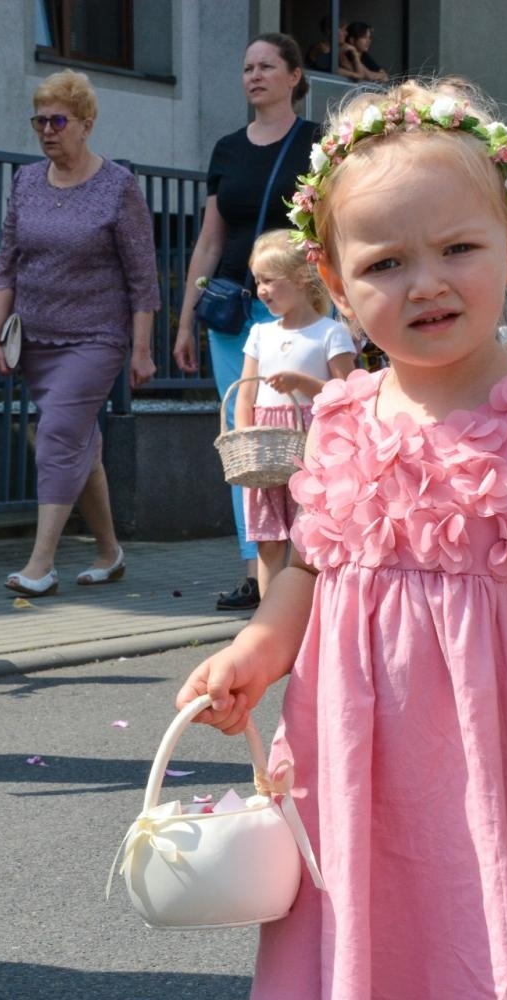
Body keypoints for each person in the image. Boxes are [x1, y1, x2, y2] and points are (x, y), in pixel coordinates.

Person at [179, 79, 507, 1000]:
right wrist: (253, 652)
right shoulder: (342, 415)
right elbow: (311, 573)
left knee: (501, 947)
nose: (426, 282)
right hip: (352, 765)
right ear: (335, 279)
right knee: (369, 949)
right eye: (385, 262)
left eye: (457, 249)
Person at [0, 70, 158, 597]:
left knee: (57, 435)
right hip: (36, 337)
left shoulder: (117, 186)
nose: (46, 130)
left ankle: (41, 563)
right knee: (81, 447)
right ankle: (109, 552)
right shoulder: (26, 181)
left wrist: (142, 348)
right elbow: (8, 260)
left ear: (85, 124)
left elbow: (142, 273)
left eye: (57, 120)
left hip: (96, 338)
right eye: (39, 120)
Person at [173, 33, 318, 612]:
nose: (254, 75)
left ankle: (308, 566)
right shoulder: (228, 149)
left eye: (266, 66)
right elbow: (209, 241)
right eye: (246, 67)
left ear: (293, 76)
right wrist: (186, 320)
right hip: (233, 312)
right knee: (246, 440)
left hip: (298, 312)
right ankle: (255, 573)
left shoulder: (317, 144)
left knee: (304, 438)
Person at [234, 230, 355, 599]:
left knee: (308, 537)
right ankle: (268, 619)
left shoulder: (330, 333)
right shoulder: (259, 333)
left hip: (311, 443)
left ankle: (305, 616)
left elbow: (348, 393)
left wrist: (302, 382)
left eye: (269, 280)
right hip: (266, 445)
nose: (261, 289)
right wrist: (245, 437)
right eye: (258, 281)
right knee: (268, 539)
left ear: (301, 277)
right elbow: (246, 391)